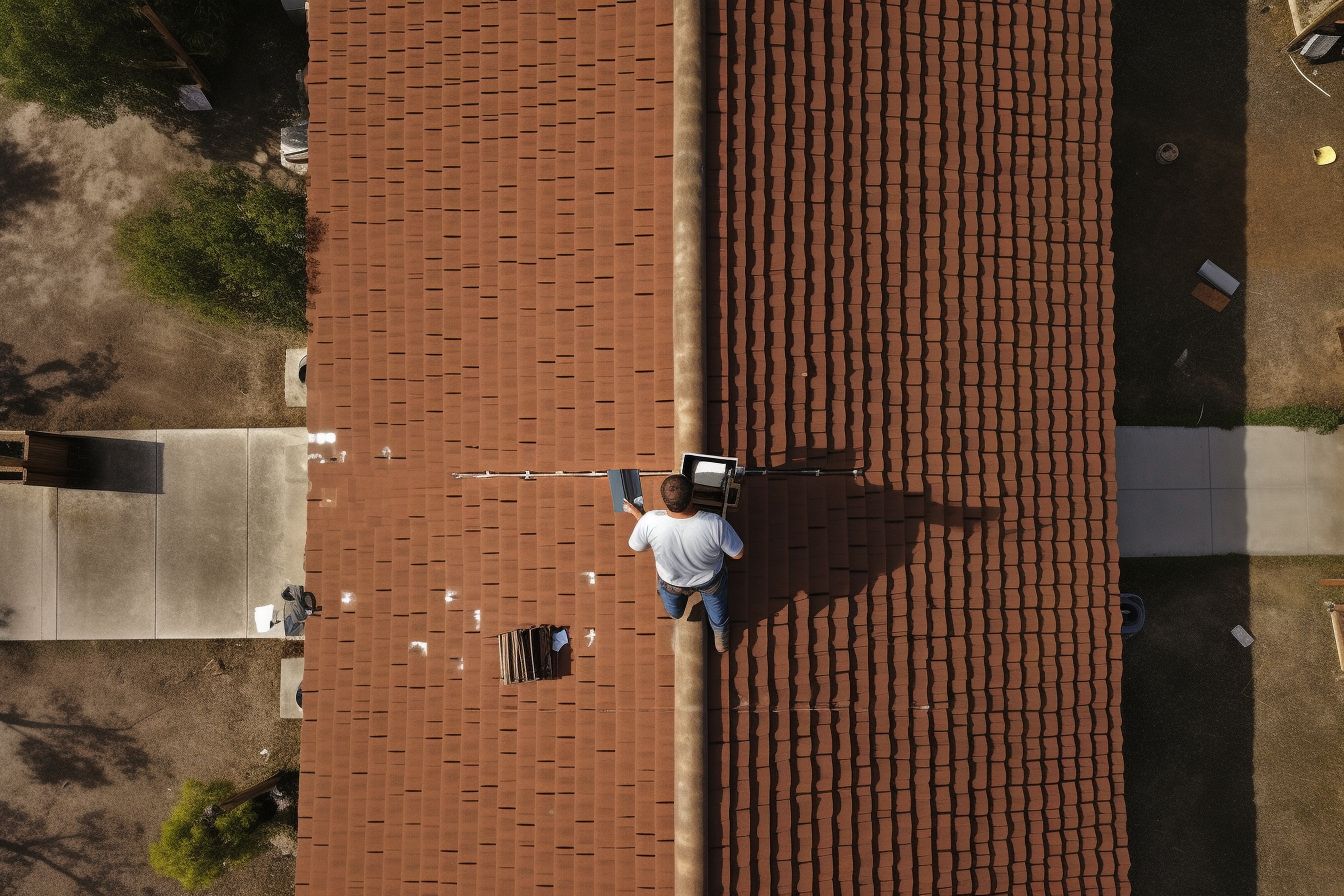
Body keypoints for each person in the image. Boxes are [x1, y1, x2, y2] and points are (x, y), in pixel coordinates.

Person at [624, 473, 744, 654]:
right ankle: (721, 641)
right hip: (710, 581)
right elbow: (738, 554)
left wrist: (639, 516)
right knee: (718, 615)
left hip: (672, 583)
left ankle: (676, 613)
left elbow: (637, 546)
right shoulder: (715, 523)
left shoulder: (649, 521)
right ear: (692, 495)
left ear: (665, 500)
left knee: (674, 611)